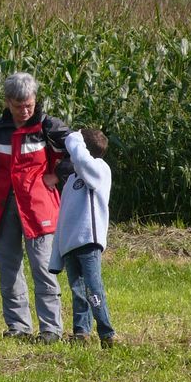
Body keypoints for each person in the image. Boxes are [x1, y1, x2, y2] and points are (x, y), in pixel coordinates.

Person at [0, 72, 72, 344]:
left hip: (38, 208)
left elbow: (81, 151)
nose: (24, 111)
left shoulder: (49, 126)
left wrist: (57, 176)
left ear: (35, 100)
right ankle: (18, 327)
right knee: (9, 268)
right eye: (18, 106)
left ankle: (51, 330)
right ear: (7, 102)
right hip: (4, 206)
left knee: (44, 268)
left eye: (29, 104)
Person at [49, 129, 117, 348]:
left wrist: (73, 137)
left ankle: (107, 333)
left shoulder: (99, 169)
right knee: (78, 292)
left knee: (93, 288)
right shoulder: (71, 181)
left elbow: (81, 158)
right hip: (70, 246)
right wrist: (56, 254)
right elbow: (63, 217)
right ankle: (81, 333)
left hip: (88, 241)